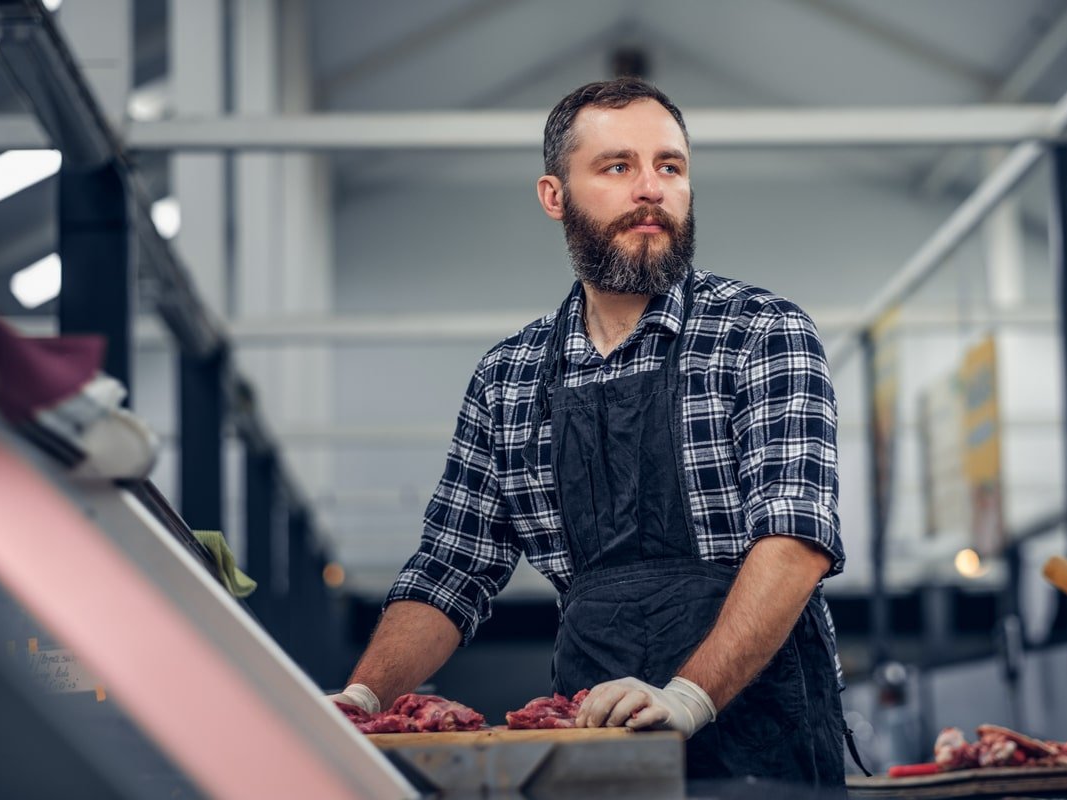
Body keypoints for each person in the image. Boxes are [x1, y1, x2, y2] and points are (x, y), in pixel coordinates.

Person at [331, 77, 847, 786]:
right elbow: (450, 570)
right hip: (592, 743)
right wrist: (362, 700)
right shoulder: (508, 378)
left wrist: (685, 700)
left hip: (765, 744)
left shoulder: (760, 333)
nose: (651, 189)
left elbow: (793, 541)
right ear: (554, 196)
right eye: (617, 167)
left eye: (670, 166)